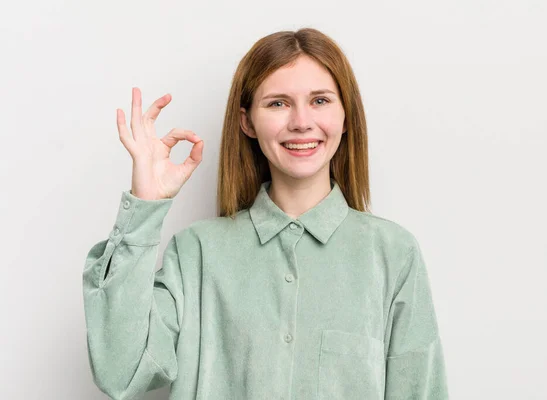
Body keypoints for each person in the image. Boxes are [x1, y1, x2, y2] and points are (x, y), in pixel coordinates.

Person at [82, 27, 448, 399]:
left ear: (346, 115)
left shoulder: (393, 254)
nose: (302, 122)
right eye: (278, 103)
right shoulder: (197, 254)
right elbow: (120, 370)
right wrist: (145, 205)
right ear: (247, 122)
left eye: (320, 100)